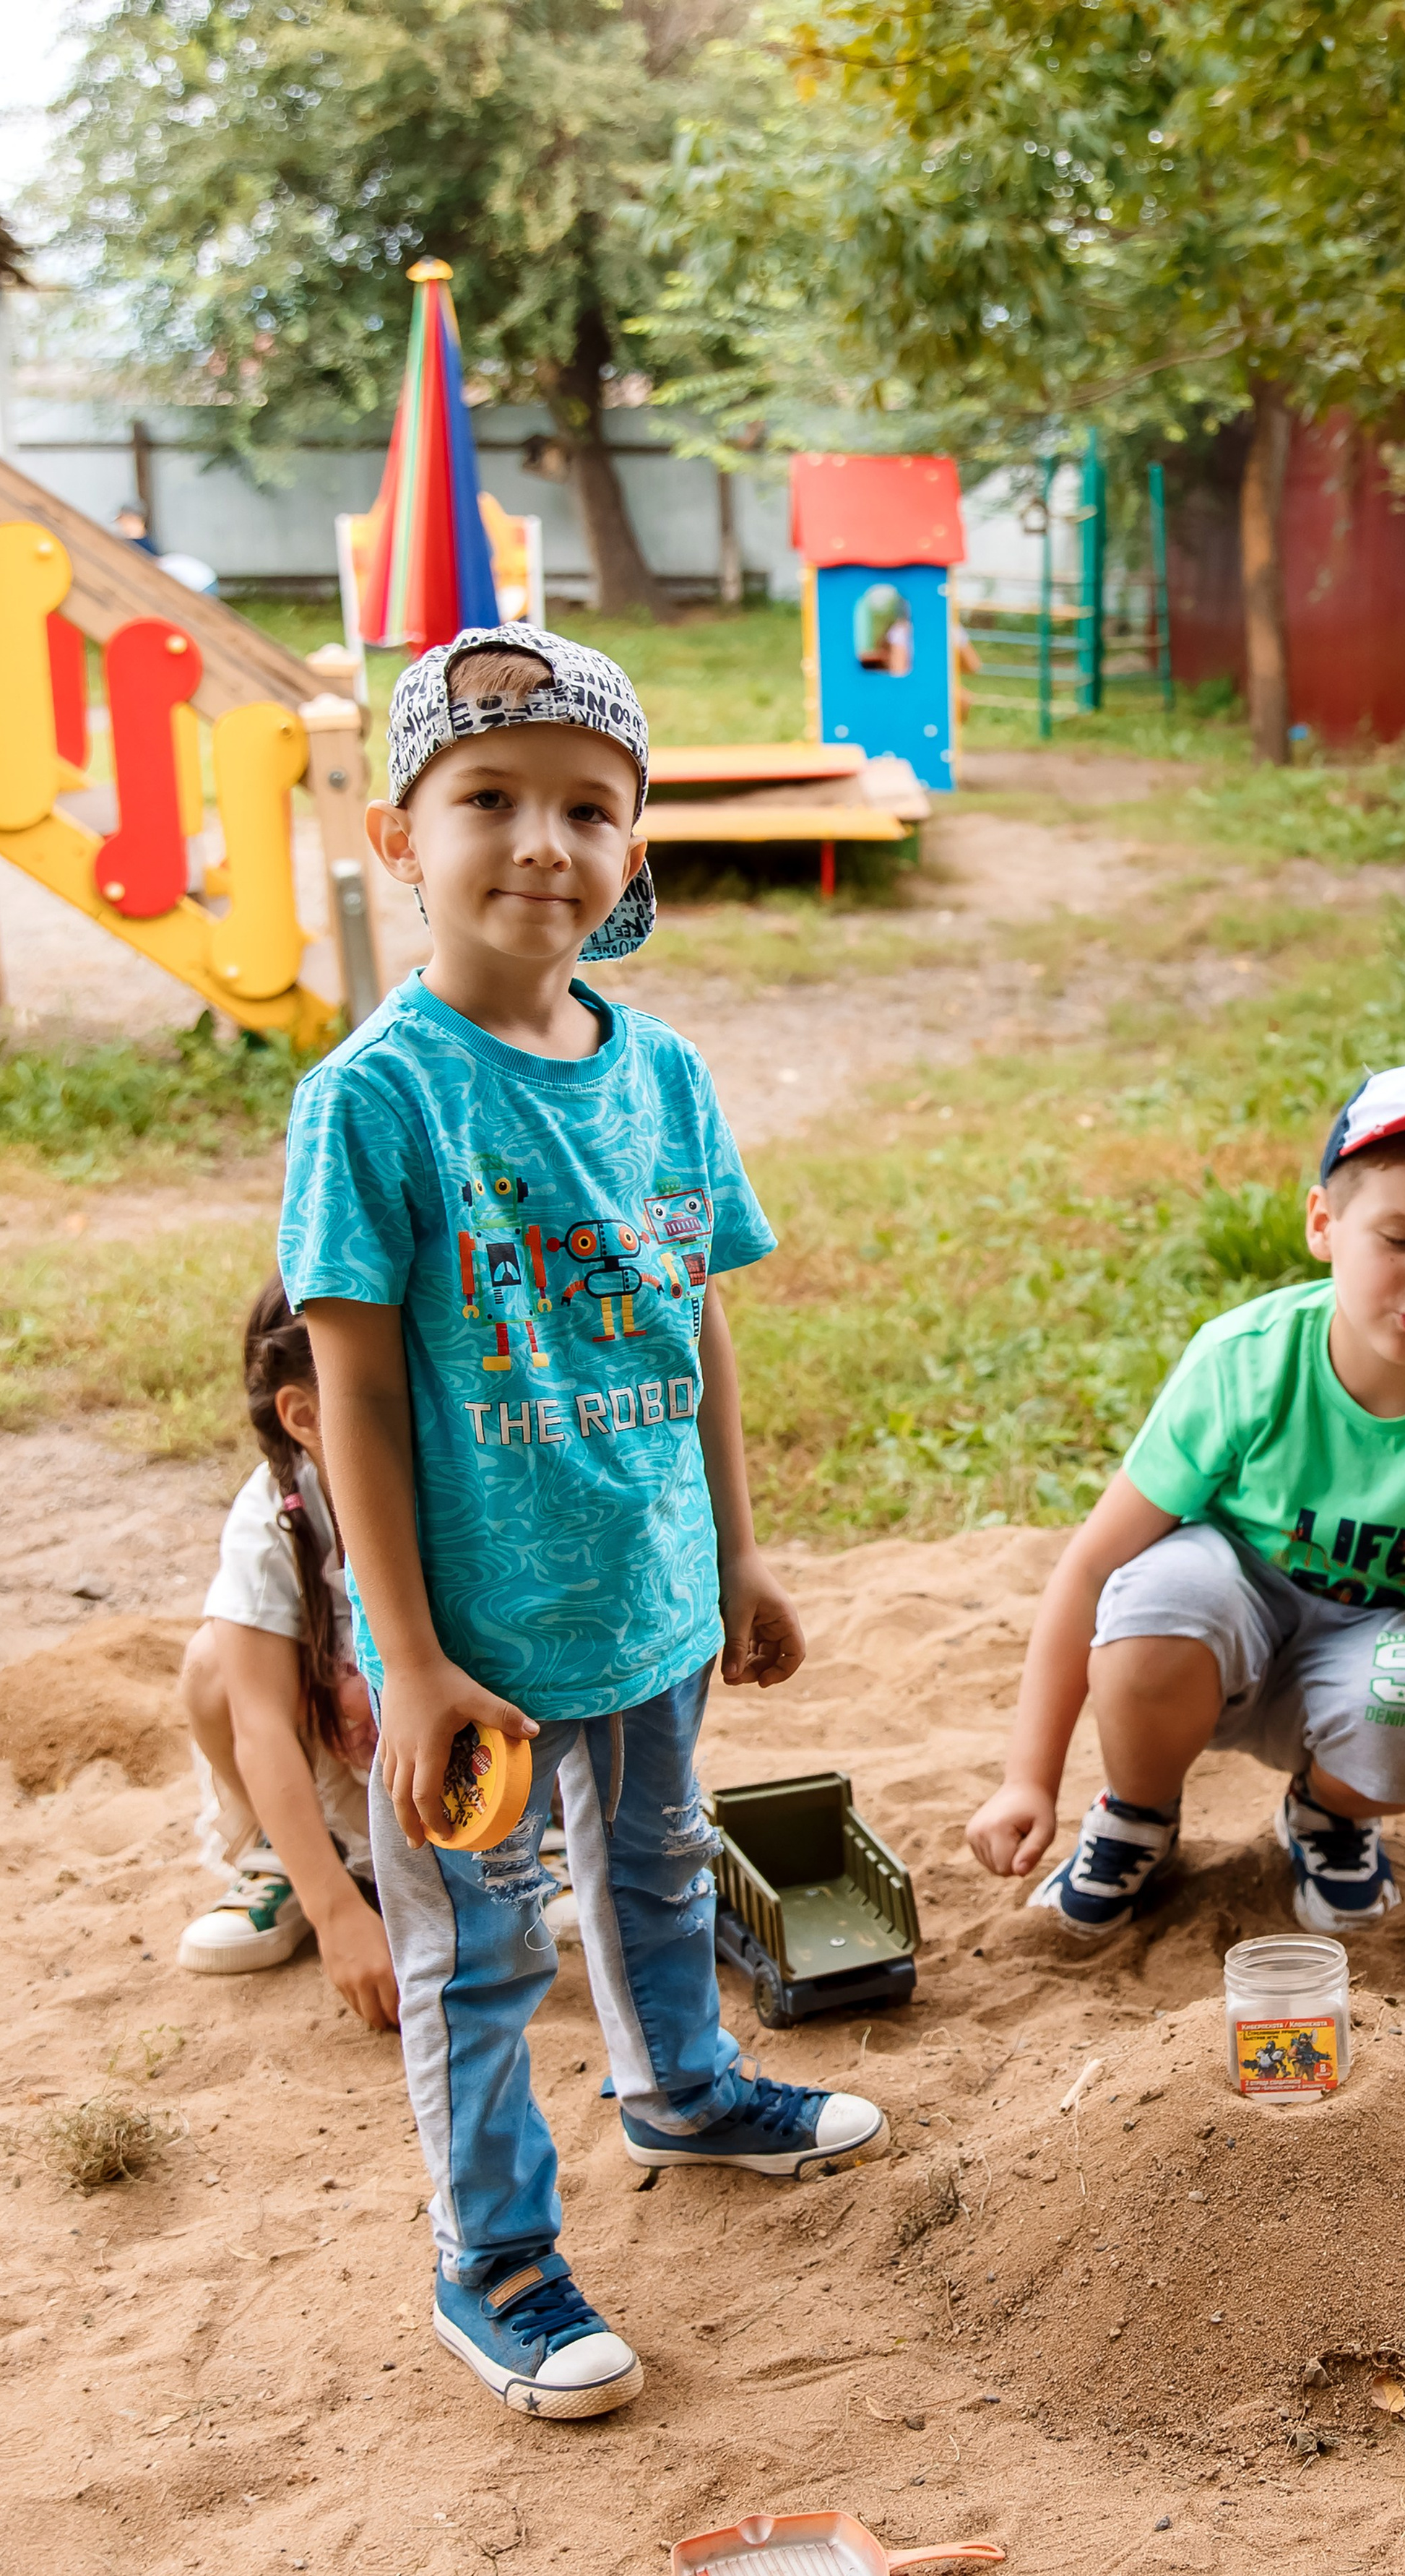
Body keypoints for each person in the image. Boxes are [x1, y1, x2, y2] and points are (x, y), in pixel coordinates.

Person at [280, 621, 888, 2421]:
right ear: (399, 836)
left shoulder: (664, 1076)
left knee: (654, 1868)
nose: (539, 840)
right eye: (488, 798)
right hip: (468, 1646)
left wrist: (736, 1546)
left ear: (632, 851)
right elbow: (361, 1401)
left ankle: (681, 2090)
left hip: (645, 1591)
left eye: (586, 807)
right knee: (481, 1951)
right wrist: (408, 1657)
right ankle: (496, 2262)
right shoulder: (374, 1102)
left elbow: (694, 1307)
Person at [968, 1057, 1405, 1972]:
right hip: (1220, 1638)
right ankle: (1137, 1813)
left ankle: (1326, 1812)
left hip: (1372, 1655)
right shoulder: (1244, 1361)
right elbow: (1088, 1567)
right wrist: (1026, 1779)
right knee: (1160, 1594)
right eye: (1395, 1238)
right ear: (1324, 1223)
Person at [177, 1275, 399, 2031]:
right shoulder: (274, 1515)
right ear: (304, 1415)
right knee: (215, 1666)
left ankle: (542, 1847)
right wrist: (337, 1915)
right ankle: (294, 1862)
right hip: (346, 1763)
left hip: (456, 1765)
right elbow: (260, 1723)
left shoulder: (458, 1482)